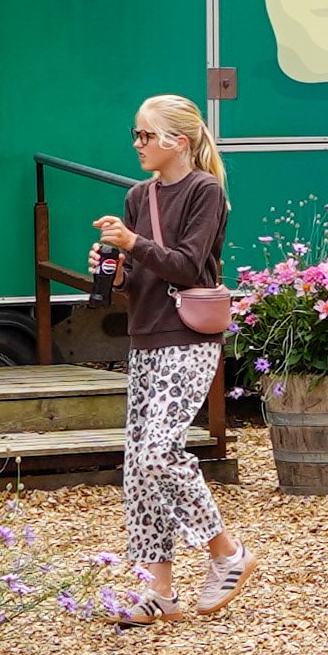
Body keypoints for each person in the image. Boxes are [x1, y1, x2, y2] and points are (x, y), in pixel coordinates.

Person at [89, 90, 244, 620]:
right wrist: (112, 268)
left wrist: (132, 243)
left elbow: (185, 266)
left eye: (146, 135)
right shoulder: (139, 196)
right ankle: (156, 591)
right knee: (139, 466)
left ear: (179, 141)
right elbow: (143, 279)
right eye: (135, 134)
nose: (137, 144)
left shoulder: (205, 191)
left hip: (190, 339)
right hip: (145, 336)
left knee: (159, 451)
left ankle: (226, 553)